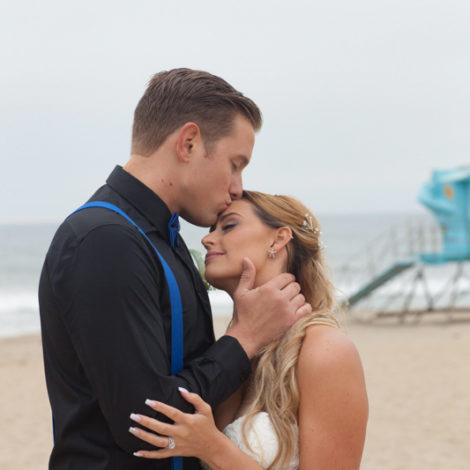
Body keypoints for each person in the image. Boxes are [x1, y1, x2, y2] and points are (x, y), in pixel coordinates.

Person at [38, 69, 311, 470]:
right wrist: (245, 337)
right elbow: (147, 422)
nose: (237, 187)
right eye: (235, 164)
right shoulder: (104, 239)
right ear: (188, 143)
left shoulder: (163, 239)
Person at [127, 191, 369, 469]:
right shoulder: (232, 350)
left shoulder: (325, 350)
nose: (207, 239)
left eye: (228, 226)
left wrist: (212, 447)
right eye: (211, 229)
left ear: (278, 239)